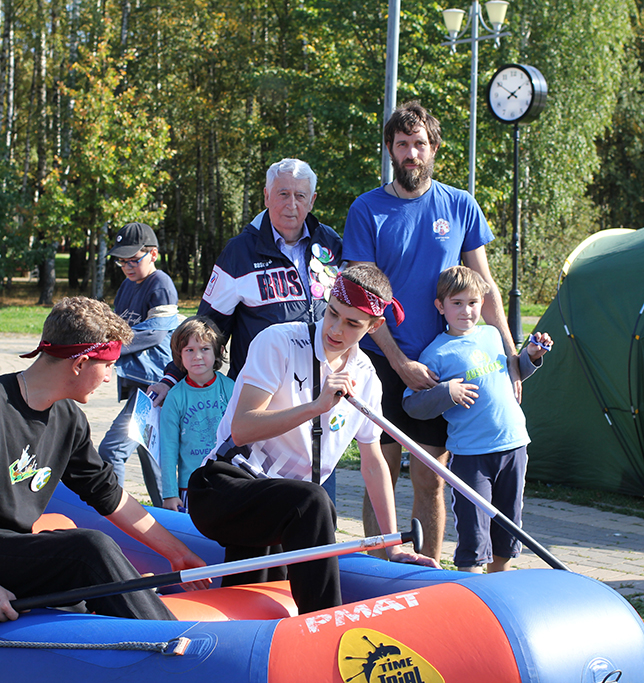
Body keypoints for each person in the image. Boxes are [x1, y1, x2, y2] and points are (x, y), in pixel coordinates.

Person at [0, 297, 209, 628]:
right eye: (108, 366)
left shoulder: (68, 419)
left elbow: (108, 495)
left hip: (7, 550)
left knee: (95, 575)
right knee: (89, 548)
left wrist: (178, 553)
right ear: (80, 363)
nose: (108, 378)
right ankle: (177, 642)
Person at [186, 264, 438, 615]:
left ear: (374, 326)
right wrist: (316, 406)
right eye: (332, 313)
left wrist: (393, 545)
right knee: (315, 502)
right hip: (224, 486)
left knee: (278, 555)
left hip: (284, 509)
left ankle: (246, 633)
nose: (335, 329)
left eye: (352, 324)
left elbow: (372, 463)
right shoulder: (279, 341)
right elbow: (242, 428)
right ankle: (327, 623)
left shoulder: (367, 378)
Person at [343, 101, 518, 561]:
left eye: (419, 143)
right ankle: (379, 575)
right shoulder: (366, 209)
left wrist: (511, 357)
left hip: (443, 365)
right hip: (381, 362)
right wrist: (399, 362)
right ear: (390, 149)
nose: (411, 154)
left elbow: (486, 288)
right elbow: (362, 300)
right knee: (380, 476)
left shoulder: (460, 205)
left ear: (434, 148)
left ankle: (429, 573)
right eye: (402, 144)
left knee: (430, 479)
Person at [149, 158, 344, 501]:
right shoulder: (239, 252)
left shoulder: (331, 245)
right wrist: (171, 375)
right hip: (261, 402)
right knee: (263, 501)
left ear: (312, 200)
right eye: (283, 194)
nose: (292, 204)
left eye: (300, 196)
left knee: (317, 497)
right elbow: (209, 325)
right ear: (266, 196)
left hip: (316, 396)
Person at [403, 266, 552, 573]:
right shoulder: (435, 353)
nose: (466, 311)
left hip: (514, 446)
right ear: (440, 306)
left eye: (472, 303)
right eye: (456, 303)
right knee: (474, 535)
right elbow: (412, 405)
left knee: (508, 530)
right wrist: (446, 392)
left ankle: (499, 587)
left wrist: (531, 356)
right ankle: (471, 589)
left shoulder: (493, 335)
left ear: (482, 303)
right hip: (471, 456)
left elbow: (512, 376)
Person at [98, 222, 178, 506]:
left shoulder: (161, 284)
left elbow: (155, 332)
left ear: (153, 254)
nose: (127, 267)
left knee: (112, 451)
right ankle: (173, 519)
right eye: (122, 261)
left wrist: (109, 350)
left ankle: (116, 516)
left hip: (154, 385)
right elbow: (116, 327)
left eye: (133, 259)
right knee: (151, 456)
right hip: (139, 383)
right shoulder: (127, 286)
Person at [159, 316, 234, 513]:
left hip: (229, 481)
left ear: (219, 351)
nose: (197, 356)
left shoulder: (230, 388)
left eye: (204, 349)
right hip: (191, 487)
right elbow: (168, 449)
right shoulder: (175, 397)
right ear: (179, 354)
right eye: (189, 350)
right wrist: (170, 494)